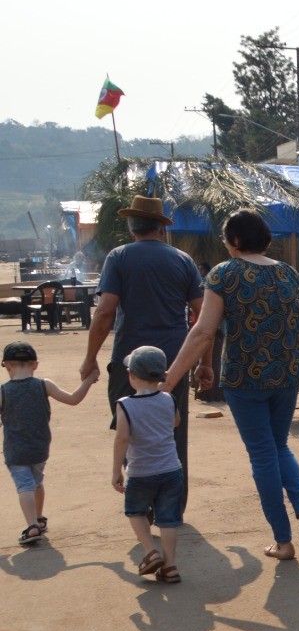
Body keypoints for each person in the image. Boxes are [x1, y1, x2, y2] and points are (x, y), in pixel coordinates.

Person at [166, 209, 299, 561]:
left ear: (236, 240)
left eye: (227, 238)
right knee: (279, 447)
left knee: (262, 455)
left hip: (244, 378)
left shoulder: (223, 275)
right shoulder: (290, 275)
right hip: (287, 375)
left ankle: (283, 541)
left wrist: (170, 379)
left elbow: (203, 331)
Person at [81, 193, 204, 522]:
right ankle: (171, 508)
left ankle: (144, 500)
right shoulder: (182, 260)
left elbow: (105, 312)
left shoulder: (119, 257)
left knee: (128, 425)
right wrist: (203, 362)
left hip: (130, 362)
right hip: (172, 363)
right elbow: (202, 315)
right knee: (173, 432)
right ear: (161, 229)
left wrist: (90, 358)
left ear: (132, 227)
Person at [2, 341, 97, 546]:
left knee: (24, 486)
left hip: (15, 450)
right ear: (35, 364)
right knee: (37, 482)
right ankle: (39, 518)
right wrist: (89, 380)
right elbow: (73, 399)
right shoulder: (44, 384)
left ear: (6, 365)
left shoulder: (3, 392)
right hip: (40, 447)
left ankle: (32, 526)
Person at [113, 347, 184, 584]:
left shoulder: (125, 404)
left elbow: (122, 438)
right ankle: (171, 566)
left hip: (141, 472)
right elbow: (176, 422)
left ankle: (150, 552)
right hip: (171, 470)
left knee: (136, 512)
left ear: (131, 374)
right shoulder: (168, 398)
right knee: (168, 520)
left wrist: (116, 471)